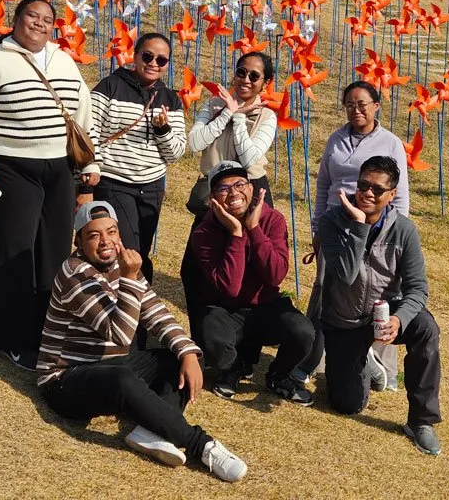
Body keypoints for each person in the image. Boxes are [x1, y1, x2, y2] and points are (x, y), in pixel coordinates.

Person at [37, 201, 247, 481]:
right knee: (121, 378)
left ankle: (150, 432)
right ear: (78, 241)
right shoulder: (74, 273)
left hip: (112, 366)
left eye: (111, 232)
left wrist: (187, 353)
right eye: (93, 235)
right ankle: (203, 446)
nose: (105, 242)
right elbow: (121, 335)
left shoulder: (122, 263)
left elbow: (157, 314)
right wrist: (129, 277)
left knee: (182, 354)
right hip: (66, 379)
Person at [0, 0, 101, 370]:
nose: (38, 23)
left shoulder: (63, 59)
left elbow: (81, 113)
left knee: (53, 253)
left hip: (59, 170)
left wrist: (90, 161)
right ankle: (7, 337)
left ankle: (45, 332)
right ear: (16, 20)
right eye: (31, 16)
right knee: (14, 252)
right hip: (11, 167)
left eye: (46, 19)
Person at [317, 156, 442, 456]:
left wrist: (399, 320)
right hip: (344, 320)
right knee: (348, 405)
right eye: (363, 185)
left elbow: (417, 288)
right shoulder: (331, 222)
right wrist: (359, 226)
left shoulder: (404, 231)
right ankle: (365, 361)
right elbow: (345, 275)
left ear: (392, 194)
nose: (367, 193)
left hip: (382, 314)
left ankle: (421, 421)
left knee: (426, 328)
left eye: (377, 189)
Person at [295, 80, 409, 386]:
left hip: (374, 228)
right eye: (349, 105)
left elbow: (400, 196)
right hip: (336, 225)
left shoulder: (390, 143)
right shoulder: (336, 138)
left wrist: (394, 233)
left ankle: (379, 365)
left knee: (378, 293)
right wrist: (318, 226)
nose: (355, 110)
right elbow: (323, 186)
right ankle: (311, 359)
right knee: (325, 288)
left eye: (362, 104)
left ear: (376, 106)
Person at [190, 161, 315, 405]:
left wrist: (254, 229)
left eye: (240, 184)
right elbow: (230, 288)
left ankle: (279, 376)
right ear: (213, 198)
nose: (234, 193)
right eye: (224, 189)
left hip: (265, 305)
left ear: (252, 188)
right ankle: (235, 367)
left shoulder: (272, 220)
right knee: (212, 342)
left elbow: (275, 275)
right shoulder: (204, 232)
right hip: (224, 308)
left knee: (302, 332)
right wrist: (237, 234)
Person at [181, 52, 278, 338]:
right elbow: (194, 142)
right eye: (241, 72)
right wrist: (226, 112)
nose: (245, 80)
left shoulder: (267, 115)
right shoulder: (212, 104)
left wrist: (238, 120)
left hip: (250, 195)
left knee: (252, 272)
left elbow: (250, 160)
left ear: (265, 82)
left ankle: (244, 349)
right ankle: (202, 339)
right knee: (194, 269)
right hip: (213, 194)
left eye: (254, 76)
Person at [91, 32, 185, 290]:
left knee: (140, 250)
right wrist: (89, 177)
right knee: (128, 251)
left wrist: (162, 130)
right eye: (147, 56)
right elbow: (89, 132)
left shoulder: (171, 100)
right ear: (134, 56)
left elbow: (175, 153)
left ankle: (138, 311)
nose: (154, 63)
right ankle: (131, 317)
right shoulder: (110, 86)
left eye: (162, 59)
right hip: (114, 181)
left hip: (152, 185)